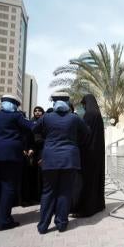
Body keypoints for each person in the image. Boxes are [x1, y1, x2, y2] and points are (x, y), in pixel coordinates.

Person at [33, 92, 89, 234]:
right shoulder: (74, 118)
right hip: (69, 159)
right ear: (67, 102)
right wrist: (74, 143)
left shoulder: (46, 117)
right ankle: (62, 223)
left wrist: (47, 140)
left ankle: (43, 225)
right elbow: (87, 132)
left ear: (54, 102)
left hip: (50, 158)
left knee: (48, 192)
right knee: (65, 191)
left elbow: (34, 129)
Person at [0, 94, 34, 230]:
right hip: (10, 156)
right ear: (15, 105)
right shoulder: (17, 116)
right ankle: (4, 220)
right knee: (8, 187)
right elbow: (32, 127)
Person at [75, 94, 106, 217]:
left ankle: (87, 209)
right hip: (97, 153)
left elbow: (84, 134)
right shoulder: (98, 115)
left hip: (88, 153)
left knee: (86, 181)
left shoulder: (89, 115)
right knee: (95, 180)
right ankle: (97, 205)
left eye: (83, 104)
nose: (83, 106)